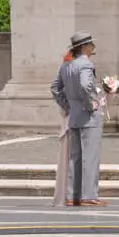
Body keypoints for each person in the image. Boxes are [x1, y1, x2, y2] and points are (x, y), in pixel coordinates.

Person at [50, 31, 107, 207]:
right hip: (88, 116)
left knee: (75, 157)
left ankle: (72, 196)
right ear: (84, 47)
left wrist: (68, 106)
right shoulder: (86, 65)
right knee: (90, 157)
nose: (93, 47)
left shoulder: (66, 66)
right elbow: (85, 85)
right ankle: (89, 195)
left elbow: (55, 88)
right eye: (91, 44)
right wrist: (91, 105)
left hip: (74, 115)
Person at [52, 50, 74, 207]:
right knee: (69, 158)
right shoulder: (67, 70)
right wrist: (69, 107)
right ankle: (67, 195)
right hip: (72, 118)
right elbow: (55, 88)